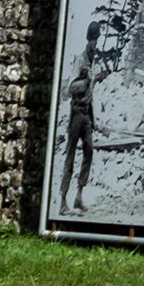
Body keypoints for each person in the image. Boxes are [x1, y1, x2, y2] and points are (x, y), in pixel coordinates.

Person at [57, 21, 103, 214]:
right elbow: (70, 88)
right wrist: (86, 79)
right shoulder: (80, 60)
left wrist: (93, 119)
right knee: (70, 156)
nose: (95, 43)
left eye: (97, 39)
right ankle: (62, 202)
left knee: (89, 151)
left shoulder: (92, 61)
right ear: (88, 39)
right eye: (93, 39)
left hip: (86, 115)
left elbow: (90, 94)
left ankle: (78, 196)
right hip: (76, 113)